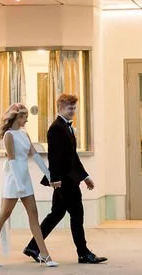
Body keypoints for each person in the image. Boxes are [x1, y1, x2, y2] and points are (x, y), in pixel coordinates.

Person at [25, 94, 107, 265]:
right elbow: (54, 157)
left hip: (69, 179)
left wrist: (85, 177)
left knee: (56, 214)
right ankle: (83, 253)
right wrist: (55, 180)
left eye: (74, 108)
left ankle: (33, 246)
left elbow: (72, 156)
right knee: (77, 214)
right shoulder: (56, 128)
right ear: (60, 108)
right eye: (70, 108)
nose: (73, 112)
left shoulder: (66, 127)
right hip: (64, 181)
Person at [0, 103, 58, 268]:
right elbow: (12, 160)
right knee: (4, 214)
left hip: (25, 179)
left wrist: (49, 175)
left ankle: (44, 254)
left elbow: (35, 155)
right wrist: (19, 185)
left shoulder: (24, 134)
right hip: (13, 180)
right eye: (24, 117)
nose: (26, 120)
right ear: (17, 117)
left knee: (33, 214)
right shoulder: (9, 135)